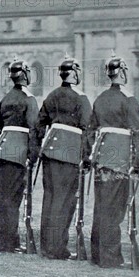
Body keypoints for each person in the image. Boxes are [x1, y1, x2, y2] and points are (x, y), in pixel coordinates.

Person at [87, 52, 139, 268]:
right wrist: (137, 163)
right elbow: (138, 132)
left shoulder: (100, 98)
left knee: (101, 206)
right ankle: (110, 257)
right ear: (122, 73)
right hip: (120, 158)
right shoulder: (129, 99)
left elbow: (90, 130)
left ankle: (97, 254)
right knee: (114, 209)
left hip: (102, 157)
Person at [36, 55, 91, 259]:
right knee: (64, 199)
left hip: (50, 151)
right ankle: (57, 247)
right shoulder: (81, 98)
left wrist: (41, 145)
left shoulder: (51, 95)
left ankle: (46, 245)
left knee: (50, 197)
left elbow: (39, 124)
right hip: (69, 152)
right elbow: (87, 128)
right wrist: (86, 158)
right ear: (74, 74)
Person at [0, 58, 39, 252]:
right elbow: (34, 129)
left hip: (3, 149)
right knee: (12, 198)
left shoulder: (6, 98)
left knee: (1, 197)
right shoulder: (29, 98)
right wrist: (33, 155)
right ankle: (10, 242)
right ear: (25, 75)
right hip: (18, 150)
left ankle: (0, 240)